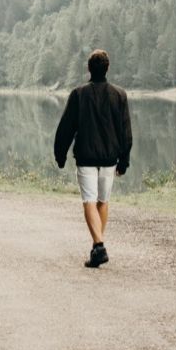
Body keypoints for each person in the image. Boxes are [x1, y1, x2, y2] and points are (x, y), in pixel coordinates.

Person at [53, 49, 132, 268]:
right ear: (108, 68)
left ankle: (99, 244)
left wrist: (60, 154)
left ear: (89, 68)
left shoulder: (79, 94)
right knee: (102, 201)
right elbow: (125, 131)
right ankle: (98, 246)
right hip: (109, 158)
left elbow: (66, 128)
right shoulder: (119, 95)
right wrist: (124, 160)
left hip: (86, 157)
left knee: (89, 200)